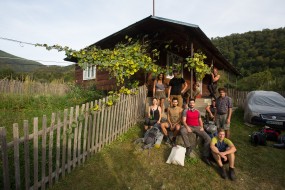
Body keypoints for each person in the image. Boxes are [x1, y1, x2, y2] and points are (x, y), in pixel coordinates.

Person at [180, 98, 211, 165]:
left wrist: (202, 127)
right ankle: (188, 147)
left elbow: (200, 120)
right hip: (189, 126)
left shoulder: (197, 111)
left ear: (194, 104)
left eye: (193, 103)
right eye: (190, 103)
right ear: (189, 104)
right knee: (182, 131)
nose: (191, 104)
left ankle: (205, 156)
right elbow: (183, 121)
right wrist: (187, 127)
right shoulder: (185, 111)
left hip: (197, 127)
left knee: (208, 139)